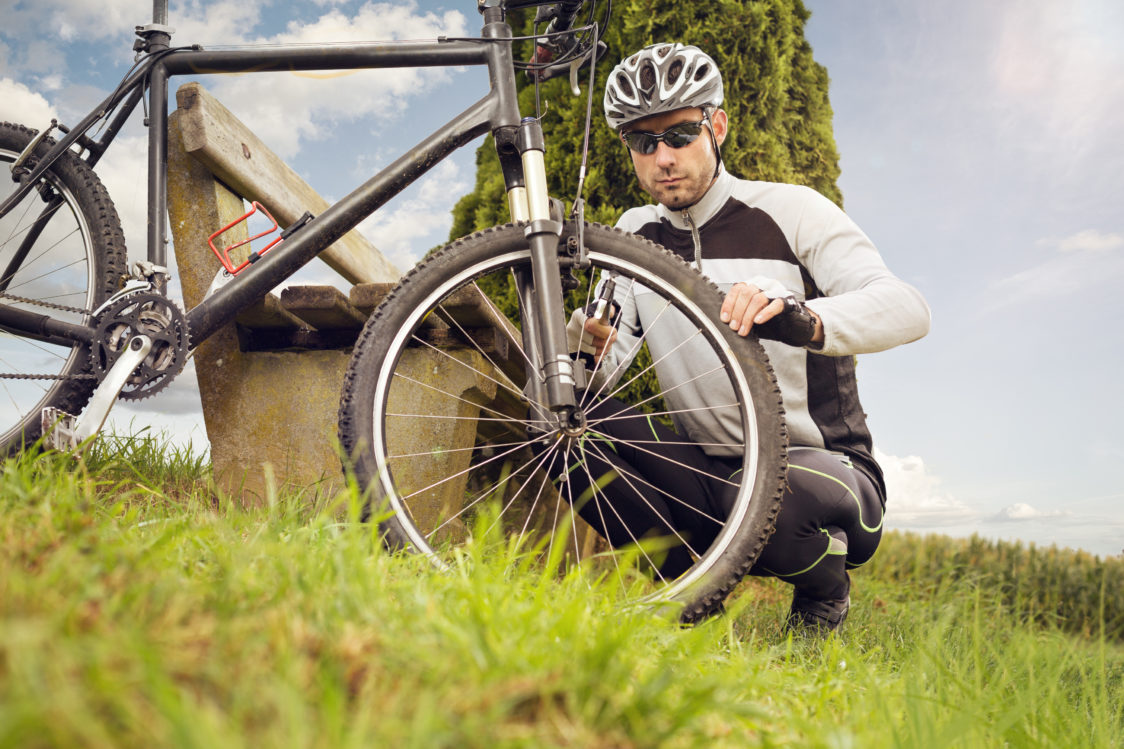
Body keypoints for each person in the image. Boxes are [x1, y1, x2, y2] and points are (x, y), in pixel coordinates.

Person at [565, 42, 930, 632]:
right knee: (567, 432)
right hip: (709, 469)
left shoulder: (791, 211)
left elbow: (908, 308)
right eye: (642, 142)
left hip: (823, 470)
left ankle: (824, 593)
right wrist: (585, 347)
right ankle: (690, 597)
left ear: (718, 126)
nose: (663, 157)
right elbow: (597, 376)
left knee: (772, 498)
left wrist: (803, 317)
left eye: (681, 134)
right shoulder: (634, 232)